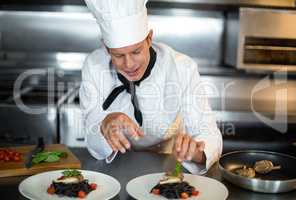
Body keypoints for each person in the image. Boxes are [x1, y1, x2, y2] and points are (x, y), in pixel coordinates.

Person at [80, 0, 222, 174]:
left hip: (169, 169)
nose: (129, 64)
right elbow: (91, 136)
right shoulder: (94, 67)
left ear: (149, 38)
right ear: (106, 48)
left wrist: (197, 152)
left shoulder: (181, 67)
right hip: (116, 170)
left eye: (136, 51)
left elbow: (207, 131)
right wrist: (104, 124)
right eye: (118, 55)